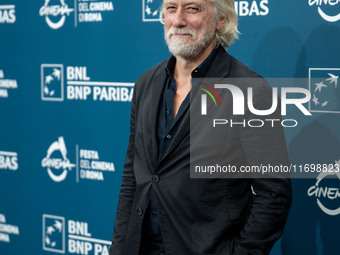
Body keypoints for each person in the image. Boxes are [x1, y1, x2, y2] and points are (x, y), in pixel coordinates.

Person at [110, 0, 292, 254]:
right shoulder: (145, 84)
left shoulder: (249, 90)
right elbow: (132, 178)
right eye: (171, 8)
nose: (179, 20)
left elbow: (274, 195)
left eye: (192, 9)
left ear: (221, 20)